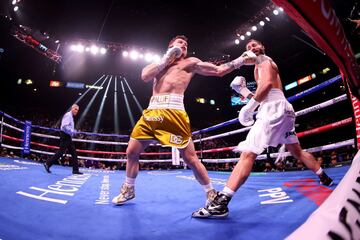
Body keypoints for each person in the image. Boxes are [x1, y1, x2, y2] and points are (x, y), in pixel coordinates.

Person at [192, 39, 334, 218]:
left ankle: (222, 202)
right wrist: (244, 92)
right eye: (248, 47)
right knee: (296, 151)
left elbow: (266, 86)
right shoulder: (258, 65)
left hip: (274, 109)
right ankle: (323, 176)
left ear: (262, 47)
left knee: (248, 153)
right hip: (283, 110)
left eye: (254, 45)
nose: (251, 49)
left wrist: (249, 107)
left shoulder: (264, 59)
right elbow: (267, 91)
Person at [112, 35, 257, 207]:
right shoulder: (159, 64)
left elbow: (218, 71)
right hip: (151, 113)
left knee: (190, 159)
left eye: (186, 44)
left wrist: (240, 60)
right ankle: (129, 189)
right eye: (181, 43)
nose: (184, 45)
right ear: (171, 45)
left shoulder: (190, 63)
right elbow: (144, 76)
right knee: (131, 152)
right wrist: (166, 58)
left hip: (174, 112)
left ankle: (211, 194)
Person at [44, 104, 83, 174]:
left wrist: (72, 132)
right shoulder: (68, 115)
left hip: (68, 137)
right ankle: (48, 163)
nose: (76, 111)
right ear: (72, 108)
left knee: (74, 153)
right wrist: (72, 131)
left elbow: (68, 127)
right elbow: (64, 127)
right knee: (61, 152)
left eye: (77, 110)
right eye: (75, 109)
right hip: (65, 136)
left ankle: (75, 170)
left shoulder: (71, 116)